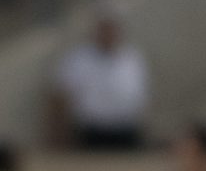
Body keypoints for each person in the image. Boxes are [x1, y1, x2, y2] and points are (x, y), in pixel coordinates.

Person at [50, 9, 150, 149]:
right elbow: (59, 97)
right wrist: (59, 136)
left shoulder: (132, 58)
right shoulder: (78, 59)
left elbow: (140, 98)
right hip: (91, 133)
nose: (109, 33)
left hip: (125, 132)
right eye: (105, 28)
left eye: (112, 28)